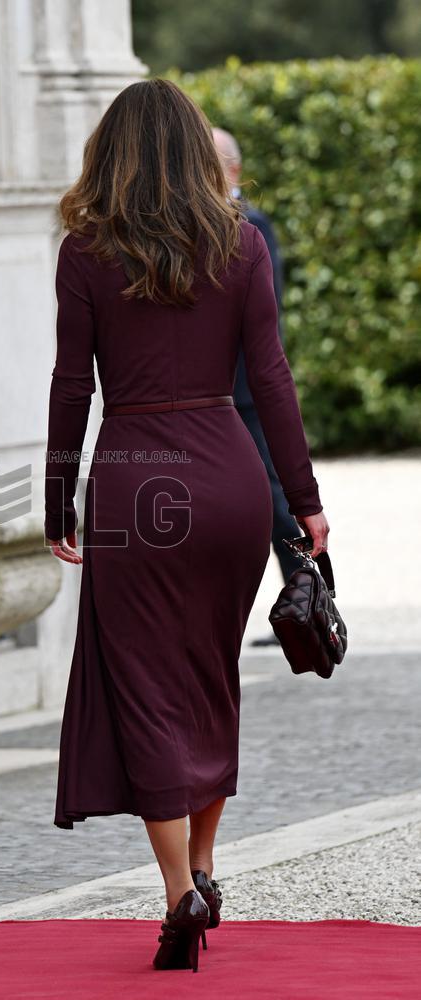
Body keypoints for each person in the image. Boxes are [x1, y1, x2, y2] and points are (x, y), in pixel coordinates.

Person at [44, 80, 329, 974]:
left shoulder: (85, 253)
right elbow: (272, 381)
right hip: (230, 478)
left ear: (114, 153)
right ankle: (205, 867)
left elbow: (70, 387)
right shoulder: (241, 245)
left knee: (144, 687)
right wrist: (305, 502)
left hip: (135, 481)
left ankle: (180, 893)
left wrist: (57, 498)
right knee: (209, 680)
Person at [212, 127, 303, 644]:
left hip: (247, 388)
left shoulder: (253, 225)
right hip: (222, 392)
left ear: (233, 171)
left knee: (275, 494)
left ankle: (305, 591)